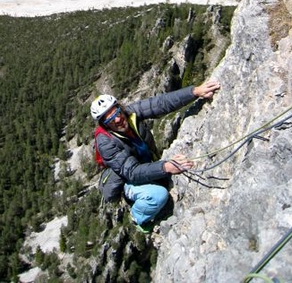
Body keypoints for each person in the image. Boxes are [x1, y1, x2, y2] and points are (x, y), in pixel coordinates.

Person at [90, 80, 220, 233]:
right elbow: (132, 172)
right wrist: (165, 167)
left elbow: (159, 104)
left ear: (120, 108)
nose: (118, 119)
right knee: (158, 195)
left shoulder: (130, 113)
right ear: (104, 124)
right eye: (110, 119)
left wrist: (194, 92)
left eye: (117, 113)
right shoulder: (105, 142)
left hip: (145, 164)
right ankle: (137, 216)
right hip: (128, 180)